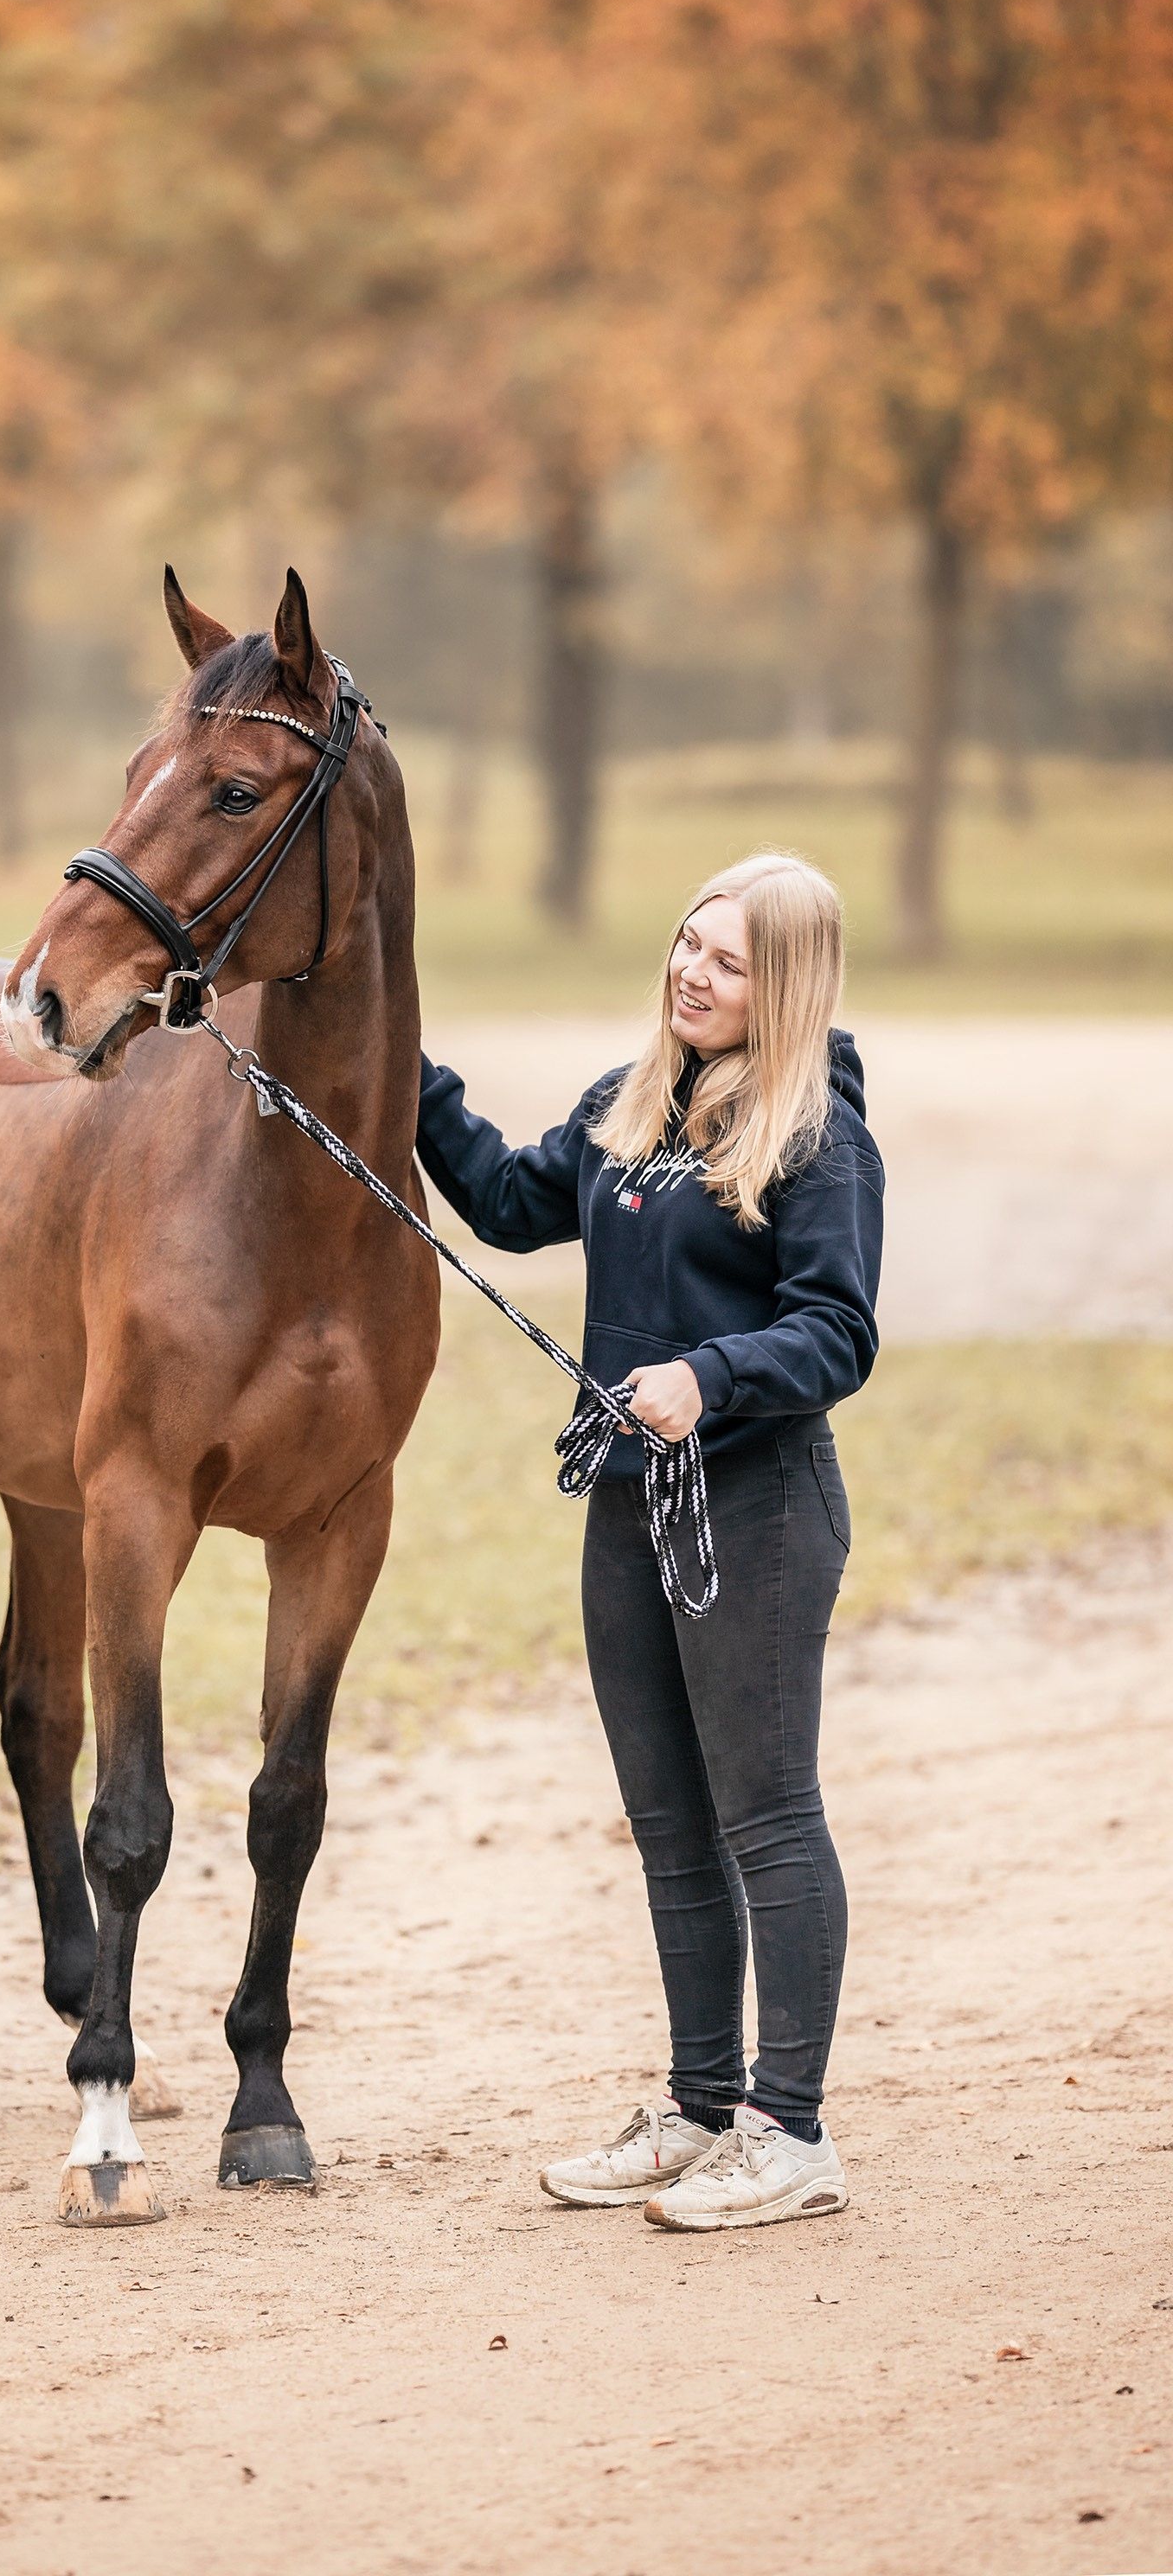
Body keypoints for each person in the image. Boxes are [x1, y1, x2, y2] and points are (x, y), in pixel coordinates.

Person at [416, 852, 882, 2233]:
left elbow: (839, 1328)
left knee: (767, 1817)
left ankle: (789, 2133)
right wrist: (402, 1065)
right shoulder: (627, 1114)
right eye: (688, 944)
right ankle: (697, 2109)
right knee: (671, 1828)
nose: (693, 971)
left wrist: (711, 1377)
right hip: (626, 1504)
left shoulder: (815, 1138)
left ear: (783, 985)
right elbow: (504, 1201)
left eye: (729, 961)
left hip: (755, 1505)